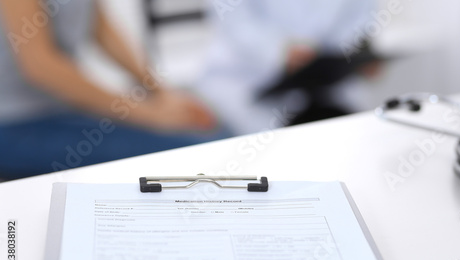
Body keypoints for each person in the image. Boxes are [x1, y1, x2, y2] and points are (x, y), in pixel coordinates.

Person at [0, 0, 227, 180]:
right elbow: (41, 66)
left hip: (61, 113)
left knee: (219, 135)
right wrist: (150, 114)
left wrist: (161, 92)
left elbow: (100, 28)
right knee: (191, 153)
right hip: (17, 126)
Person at [197, 0, 377, 134]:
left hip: (327, 86)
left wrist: (358, 55)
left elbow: (359, 19)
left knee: (354, 139)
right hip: (245, 79)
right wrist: (280, 50)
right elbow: (235, 20)